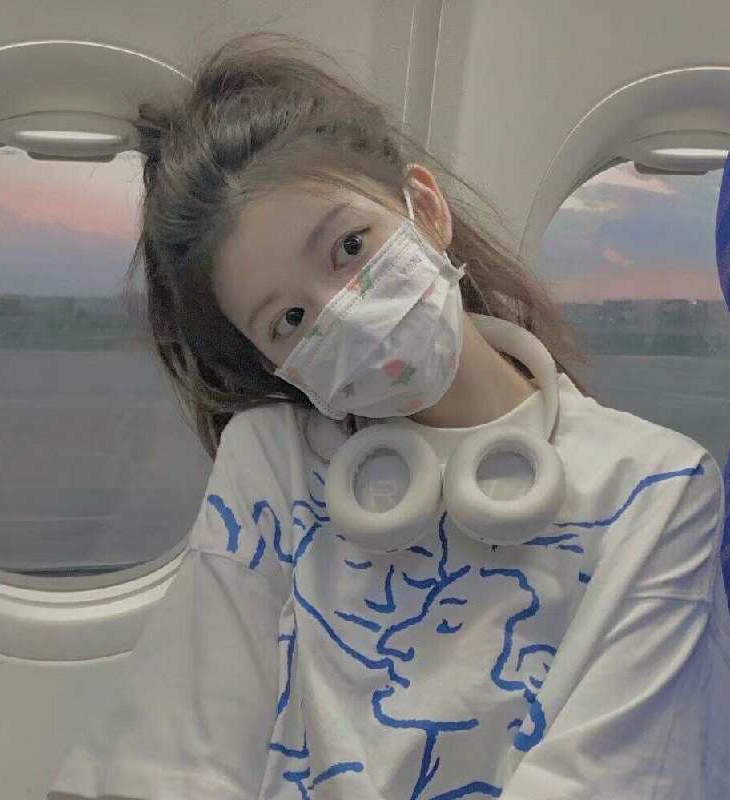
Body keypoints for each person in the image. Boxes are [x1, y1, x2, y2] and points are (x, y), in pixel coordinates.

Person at [47, 31, 730, 800]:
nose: (343, 311)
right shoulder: (273, 464)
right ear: (278, 366)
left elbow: (611, 779)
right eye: (290, 319)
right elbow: (177, 760)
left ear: (426, 209)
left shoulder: (656, 488)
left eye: (348, 247)